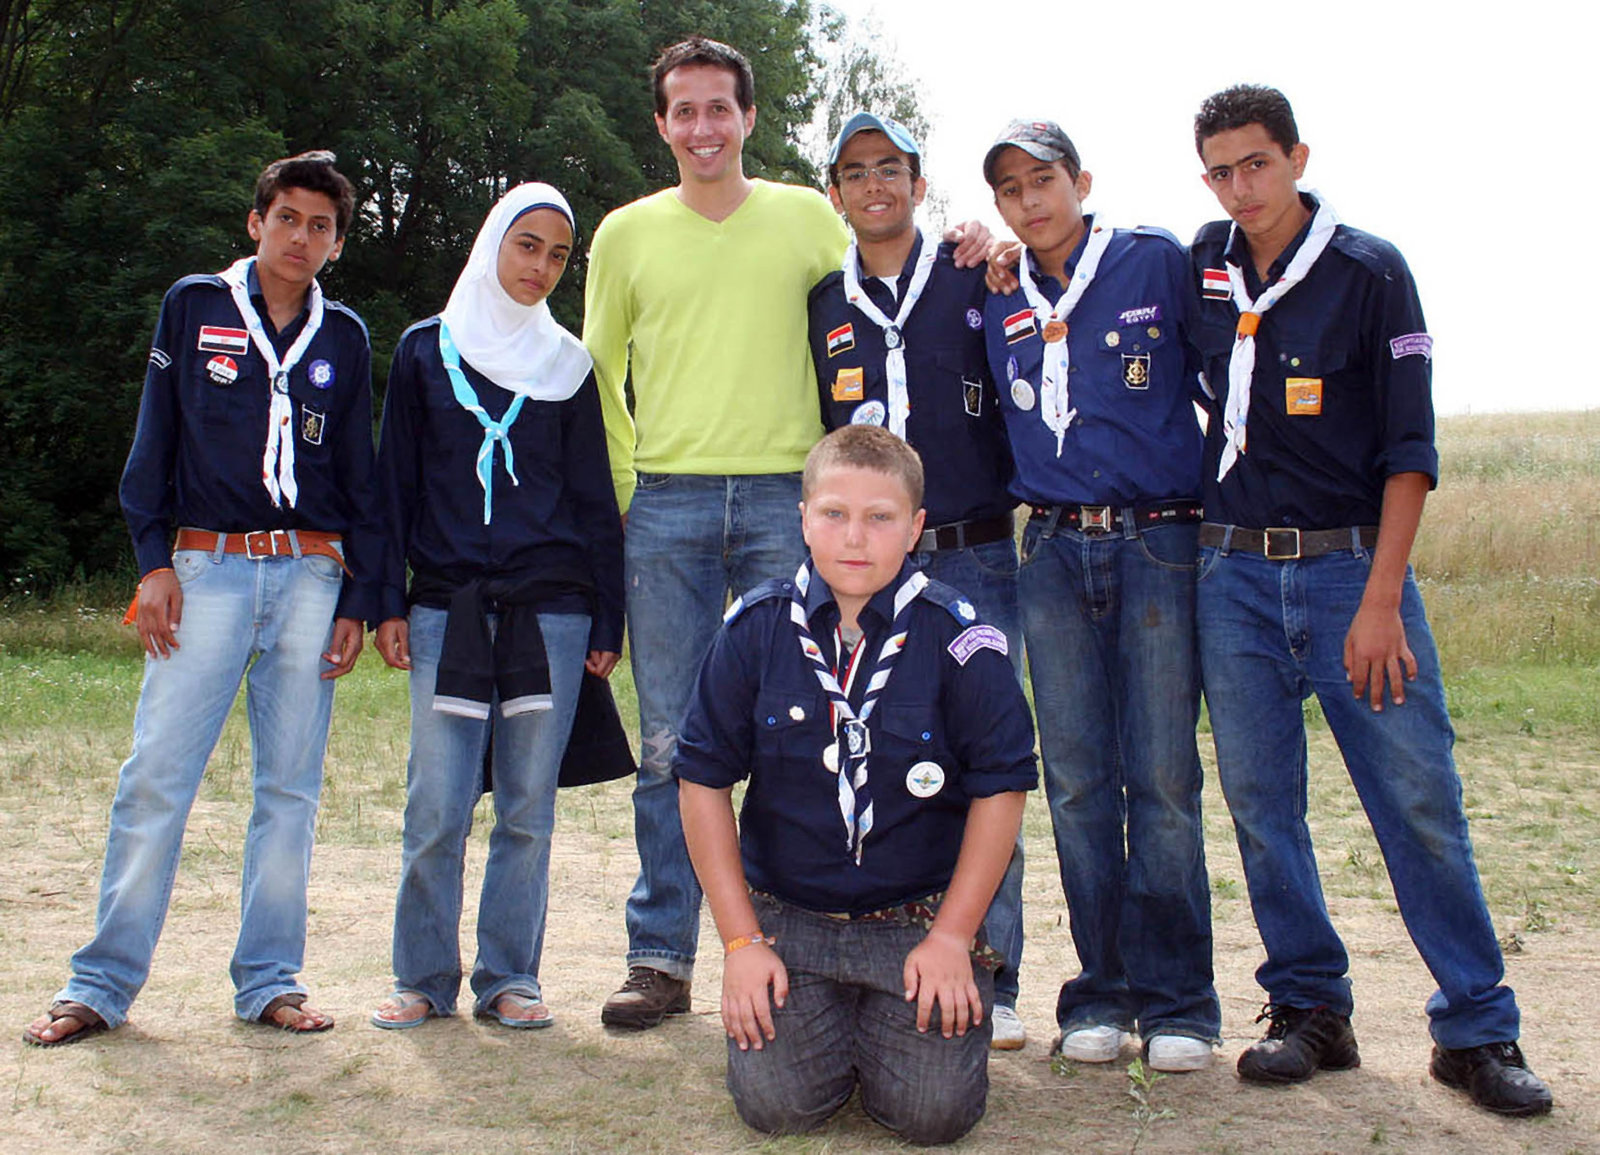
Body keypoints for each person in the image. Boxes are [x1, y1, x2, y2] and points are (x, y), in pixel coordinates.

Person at [582, 36, 991, 1029]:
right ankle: (659, 955)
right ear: (662, 125)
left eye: (720, 108)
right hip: (669, 504)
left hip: (789, 502)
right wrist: (627, 486)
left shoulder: (807, 215)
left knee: (805, 729)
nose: (704, 127)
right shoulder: (626, 233)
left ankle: (789, 941)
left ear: (749, 118)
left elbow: (885, 275)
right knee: (672, 742)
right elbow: (598, 367)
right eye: (685, 110)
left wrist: (980, 241)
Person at [1189, 84, 1552, 1116]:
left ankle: (1475, 1028)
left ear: (1298, 157)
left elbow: (1408, 448)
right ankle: (1311, 1007)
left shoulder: (1369, 271)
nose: (1239, 187)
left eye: (1256, 163)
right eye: (1219, 171)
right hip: (1231, 575)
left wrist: (1382, 596)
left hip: (1352, 572)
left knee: (1417, 802)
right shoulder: (1202, 266)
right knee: (1263, 810)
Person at [24, 151, 380, 1045]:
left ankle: (270, 980)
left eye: (321, 226)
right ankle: (99, 983)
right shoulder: (194, 305)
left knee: (289, 790)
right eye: (287, 217)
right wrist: (154, 563)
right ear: (257, 222)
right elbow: (154, 442)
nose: (301, 237)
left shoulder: (345, 336)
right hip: (206, 568)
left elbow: (360, 476)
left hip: (310, 572)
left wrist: (359, 597)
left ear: (337, 244)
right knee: (156, 778)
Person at [675, 425, 1037, 1143]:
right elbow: (701, 781)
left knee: (932, 1113)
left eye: (880, 517)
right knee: (778, 1108)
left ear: (916, 527)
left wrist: (952, 936)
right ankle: (836, 1028)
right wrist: (741, 943)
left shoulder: (960, 640)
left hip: (916, 922)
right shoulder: (755, 630)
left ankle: (886, 1026)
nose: (854, 537)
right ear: (803, 517)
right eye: (834, 513)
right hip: (789, 923)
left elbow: (1002, 790)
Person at [980, 119, 1220, 1072]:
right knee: (1076, 781)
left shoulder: (1152, 261)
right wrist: (980, 249)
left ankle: (1179, 1000)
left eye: (1043, 180)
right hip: (1048, 546)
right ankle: (1101, 990)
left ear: (1081, 181)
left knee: (1161, 775)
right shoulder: (998, 287)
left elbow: (1224, 375)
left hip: (1157, 538)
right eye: (1009, 190)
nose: (1029, 201)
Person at [366, 183, 624, 1031]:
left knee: (527, 805)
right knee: (437, 803)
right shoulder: (424, 350)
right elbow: (393, 488)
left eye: (558, 255)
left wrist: (608, 617)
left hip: (551, 613)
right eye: (528, 245)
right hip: (448, 606)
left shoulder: (567, 365)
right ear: (492, 243)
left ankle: (510, 974)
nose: (541, 267)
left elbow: (593, 499)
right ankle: (421, 977)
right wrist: (386, 601)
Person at [807, 111, 1029, 1051]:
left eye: (890, 168)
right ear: (836, 194)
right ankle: (890, 956)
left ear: (919, 183)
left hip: (974, 552)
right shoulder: (824, 302)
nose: (875, 184)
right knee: (883, 754)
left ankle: (995, 972)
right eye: (856, 171)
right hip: (870, 565)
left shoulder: (975, 274)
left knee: (987, 760)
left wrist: (1003, 247)